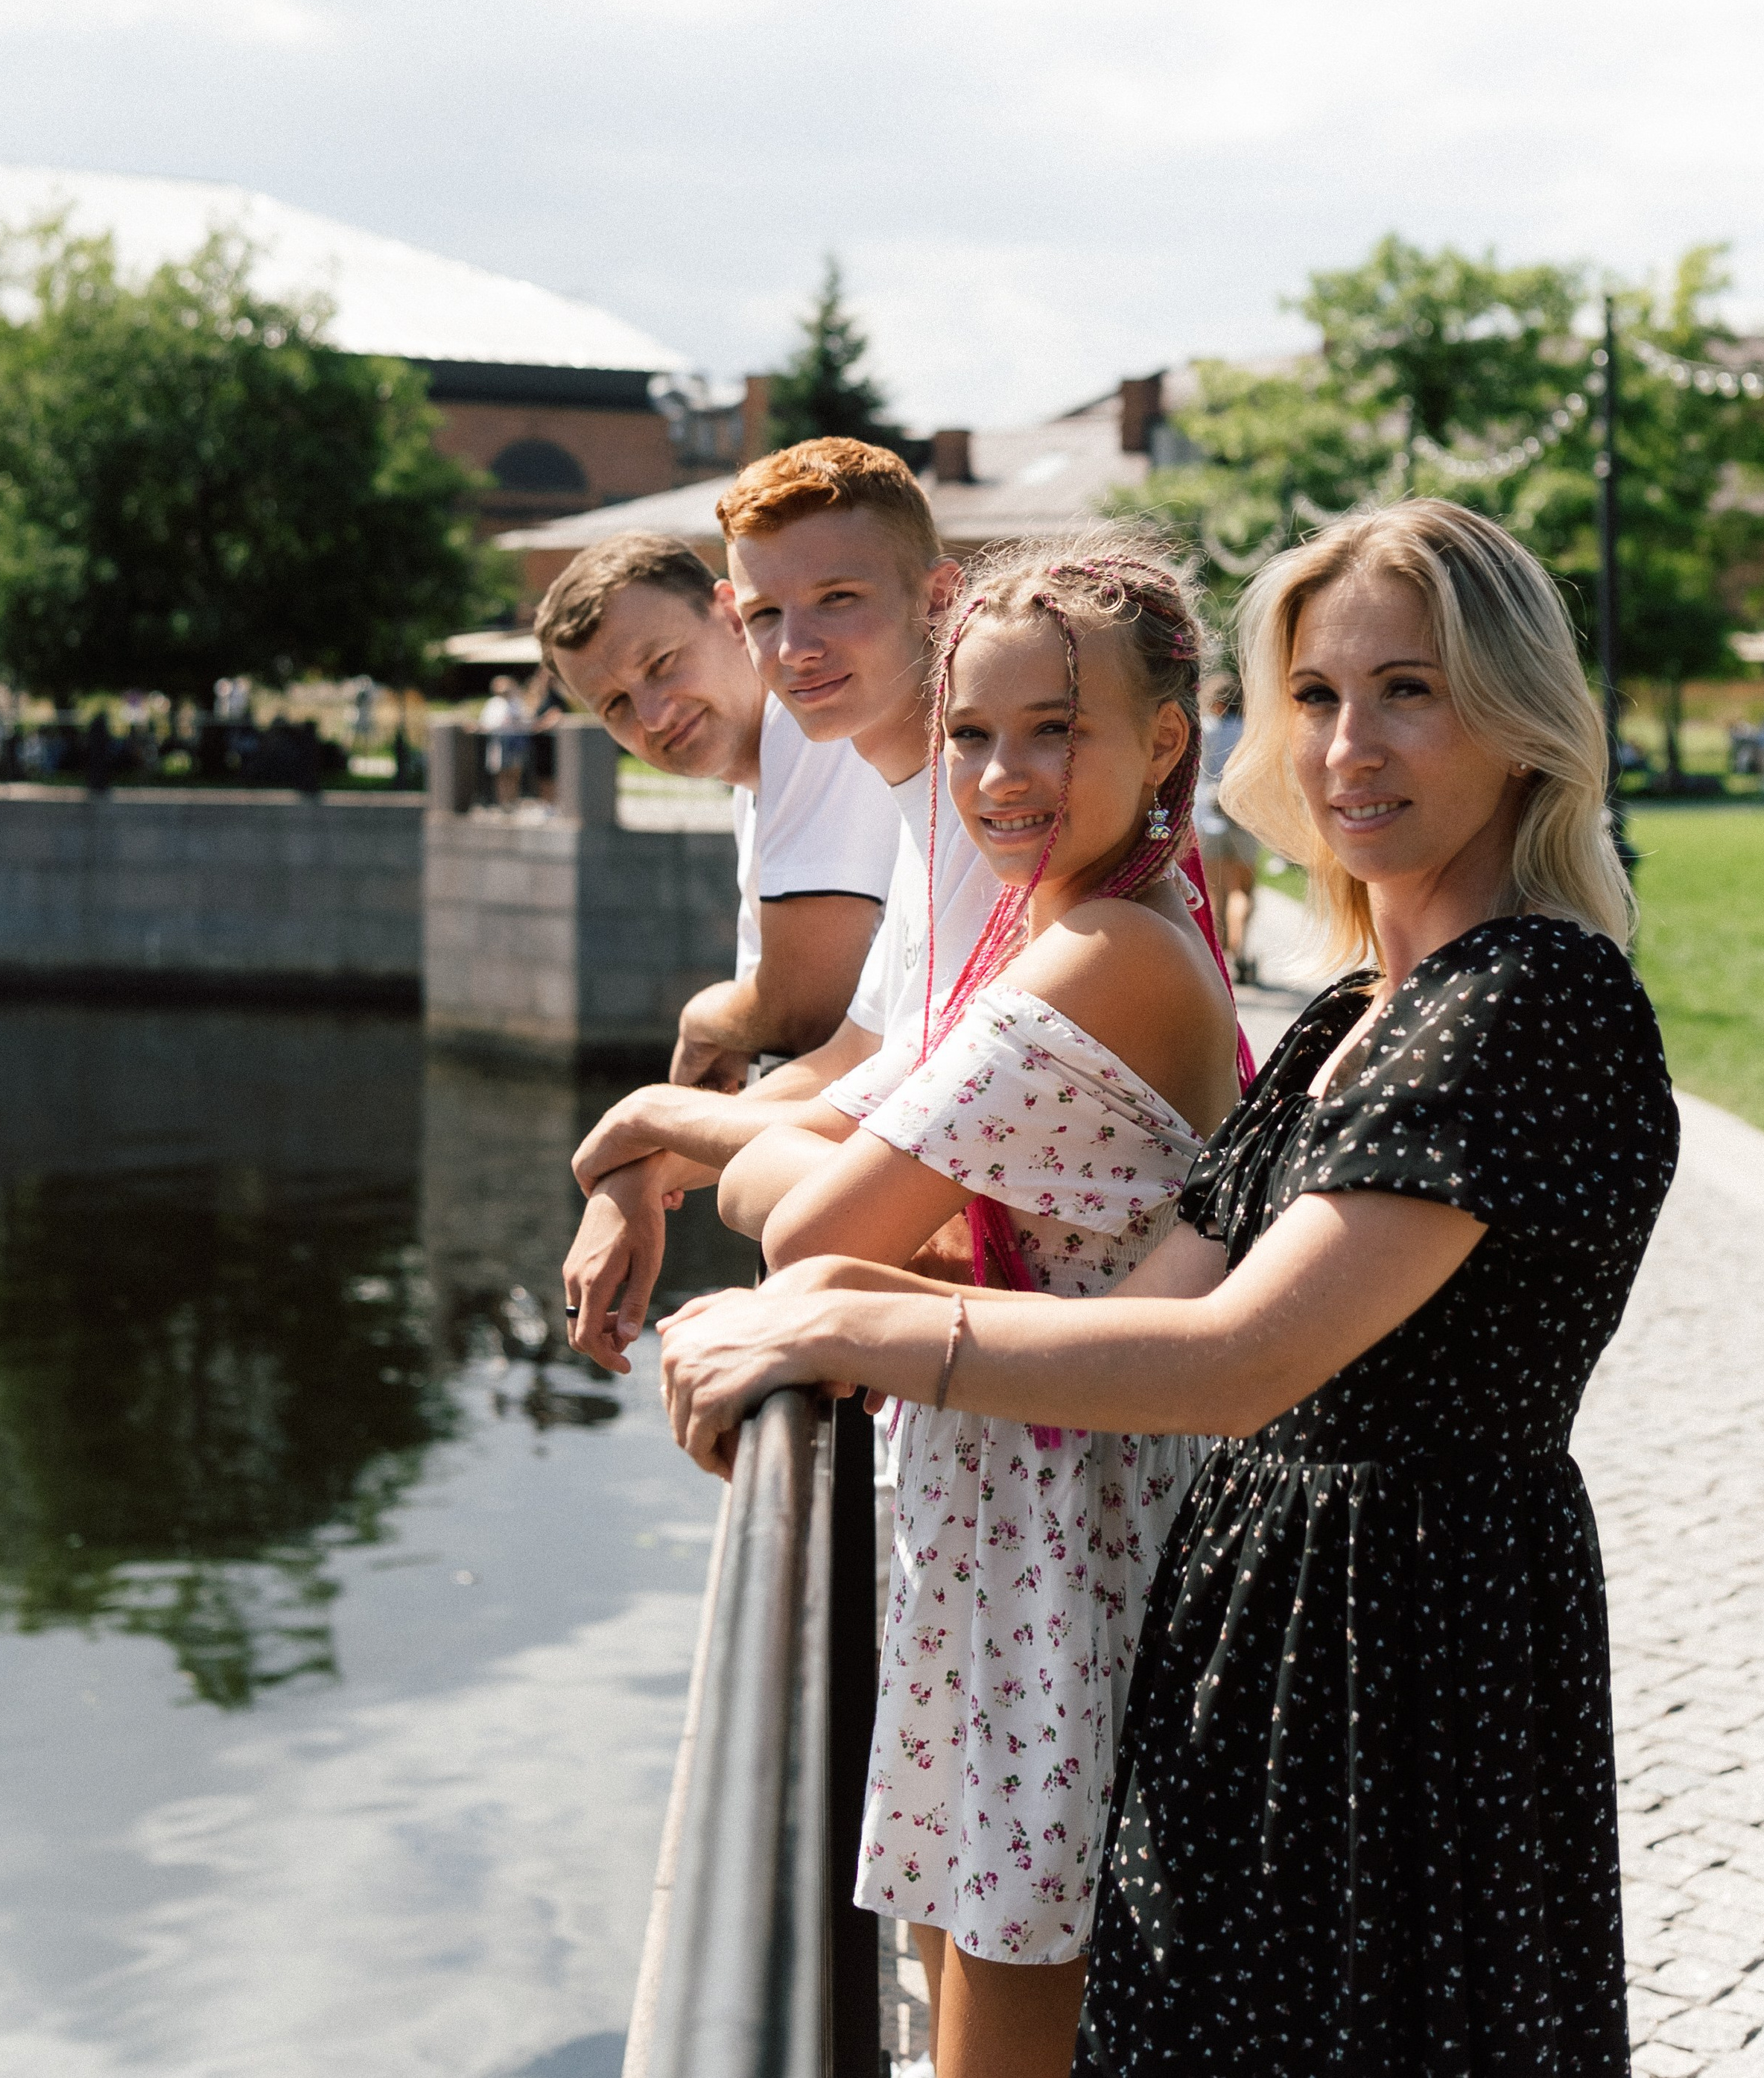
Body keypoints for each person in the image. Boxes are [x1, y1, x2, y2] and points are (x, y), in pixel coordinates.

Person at [659, 496, 1679, 2078]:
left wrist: (841, 1315)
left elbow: (1230, 1358)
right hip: (1264, 1627)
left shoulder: (1528, 998)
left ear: (1515, 713)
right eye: (1318, 696)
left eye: (1406, 688)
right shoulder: (1361, 1001)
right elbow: (1142, 1298)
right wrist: (879, 1272)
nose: (1349, 743)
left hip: (1417, 1644)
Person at [717, 536, 1237, 2078]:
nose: (1000, 774)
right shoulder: (1063, 914)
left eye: (1052, 728)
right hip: (1003, 1514)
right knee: (958, 1963)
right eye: (969, 732)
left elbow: (806, 1229)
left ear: (1162, 739)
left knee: (1009, 1990)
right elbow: (866, 1164)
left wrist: (742, 1172)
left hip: (1055, 1540)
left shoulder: (1091, 955)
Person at [560, 440, 999, 1369]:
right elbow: (863, 1062)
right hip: (984, 1389)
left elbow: (860, 1134)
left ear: (937, 599)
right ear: (740, 614)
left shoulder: (990, 813)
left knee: (760, 1187)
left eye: (838, 599)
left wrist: (655, 1122)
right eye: (769, 613)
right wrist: (645, 1159)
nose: (796, 648)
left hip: (1036, 1393)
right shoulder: (917, 803)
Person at [534, 529, 897, 1089]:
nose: (652, 716)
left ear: (732, 617)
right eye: (616, 705)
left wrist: (703, 1021)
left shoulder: (808, 727)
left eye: (661, 664)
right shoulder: (755, 784)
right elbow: (782, 1024)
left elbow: (805, 1009)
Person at [1193, 670, 1258, 981]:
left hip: (1207, 819)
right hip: (1244, 819)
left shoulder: (1204, 730)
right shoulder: (1251, 732)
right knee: (1242, 892)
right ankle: (1240, 952)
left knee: (1215, 894)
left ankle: (1218, 961)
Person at [478, 674, 529, 805]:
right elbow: (485, 723)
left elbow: (526, 721)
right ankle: (503, 802)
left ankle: (513, 800)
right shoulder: (492, 704)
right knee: (501, 773)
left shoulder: (517, 703)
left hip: (516, 742)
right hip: (498, 742)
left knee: (515, 772)